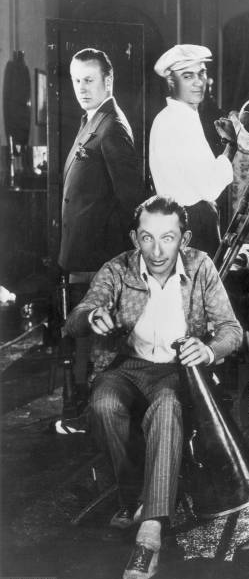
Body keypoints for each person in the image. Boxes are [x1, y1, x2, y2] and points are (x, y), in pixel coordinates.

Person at [64, 195, 242, 579]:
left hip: (177, 372)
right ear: (135, 237)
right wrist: (93, 316)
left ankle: (149, 535)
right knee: (104, 404)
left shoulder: (200, 266)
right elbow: (75, 319)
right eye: (147, 238)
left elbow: (232, 330)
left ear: (185, 237)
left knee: (167, 407)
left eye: (168, 238)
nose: (157, 250)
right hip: (125, 367)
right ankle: (139, 501)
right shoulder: (117, 268)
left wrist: (210, 349)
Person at [58, 48, 143, 414]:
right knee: (82, 345)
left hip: (98, 260)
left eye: (89, 79)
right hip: (82, 257)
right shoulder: (92, 119)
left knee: (92, 348)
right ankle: (84, 413)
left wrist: (113, 263)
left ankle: (86, 417)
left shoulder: (112, 127)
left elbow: (131, 203)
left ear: (108, 81)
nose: (81, 87)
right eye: (77, 80)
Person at [149, 44, 237, 257]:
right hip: (193, 224)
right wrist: (231, 145)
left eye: (201, 73)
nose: (198, 82)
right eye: (188, 76)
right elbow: (210, 188)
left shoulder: (172, 117)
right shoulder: (179, 122)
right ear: (171, 81)